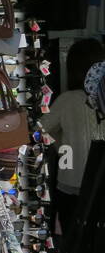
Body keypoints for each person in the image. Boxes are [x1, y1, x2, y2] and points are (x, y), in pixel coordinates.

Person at [40, 37, 105, 241]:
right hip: (101, 183)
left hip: (71, 180)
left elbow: (39, 129)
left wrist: (60, 142)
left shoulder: (67, 100)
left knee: (71, 234)